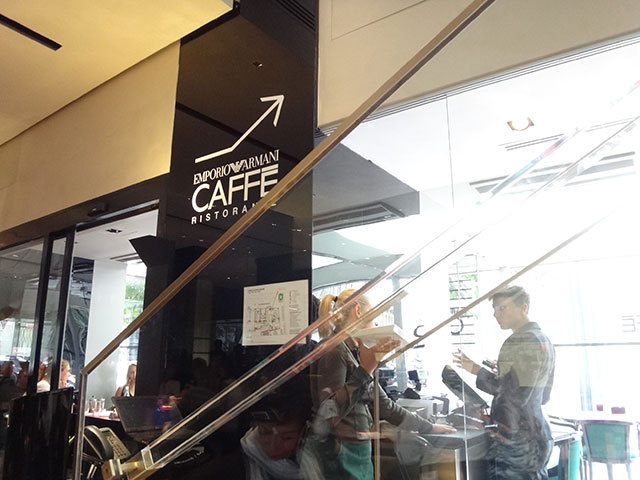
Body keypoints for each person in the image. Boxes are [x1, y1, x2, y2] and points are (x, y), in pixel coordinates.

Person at [310, 289, 455, 480]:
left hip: (358, 446)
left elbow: (384, 405)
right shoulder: (335, 350)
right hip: (342, 449)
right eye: (375, 315)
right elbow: (329, 412)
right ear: (358, 311)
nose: (376, 323)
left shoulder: (355, 353)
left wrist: (428, 427)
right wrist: (366, 370)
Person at [453, 285, 555, 480]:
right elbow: (544, 396)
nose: (496, 314)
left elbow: (510, 393)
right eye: (494, 309)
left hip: (516, 438)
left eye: (502, 308)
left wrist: (476, 370)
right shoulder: (544, 340)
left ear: (523, 308)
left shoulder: (518, 341)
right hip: (537, 431)